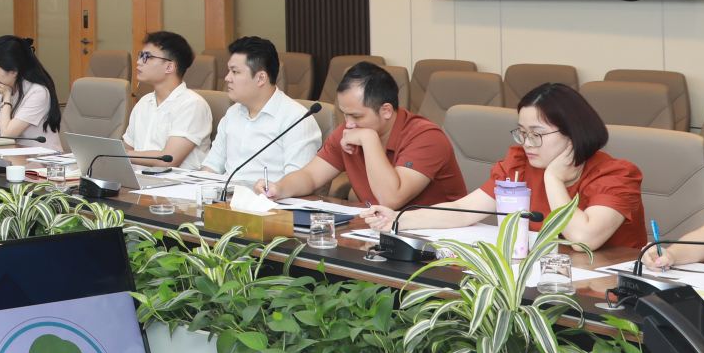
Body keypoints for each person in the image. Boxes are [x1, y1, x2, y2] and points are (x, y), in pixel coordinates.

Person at [364, 82, 647, 251]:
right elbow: (463, 211)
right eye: (522, 132)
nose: (527, 143)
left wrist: (553, 179)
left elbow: (583, 239)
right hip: (538, 278)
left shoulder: (617, 175)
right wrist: (398, 219)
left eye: (537, 134)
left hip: (603, 292)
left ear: (573, 133)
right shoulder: (520, 163)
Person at [259, 61, 468, 210]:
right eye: (344, 113)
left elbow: (390, 199)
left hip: (437, 240)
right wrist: (279, 188)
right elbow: (311, 176)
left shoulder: (426, 137)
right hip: (378, 230)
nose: (348, 123)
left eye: (357, 116)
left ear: (386, 110)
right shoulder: (350, 130)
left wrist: (369, 140)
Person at [197, 36, 322, 190]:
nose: (227, 78)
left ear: (261, 78)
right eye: (229, 71)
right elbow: (211, 167)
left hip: (270, 201)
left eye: (235, 72)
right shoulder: (233, 113)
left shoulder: (296, 119)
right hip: (225, 199)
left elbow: (298, 183)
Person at [122, 30, 213, 164]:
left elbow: (168, 159)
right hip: (139, 175)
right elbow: (126, 148)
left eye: (147, 57)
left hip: (176, 177)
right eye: (140, 55)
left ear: (169, 67)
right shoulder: (144, 102)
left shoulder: (192, 104)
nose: (139, 62)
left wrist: (121, 155)